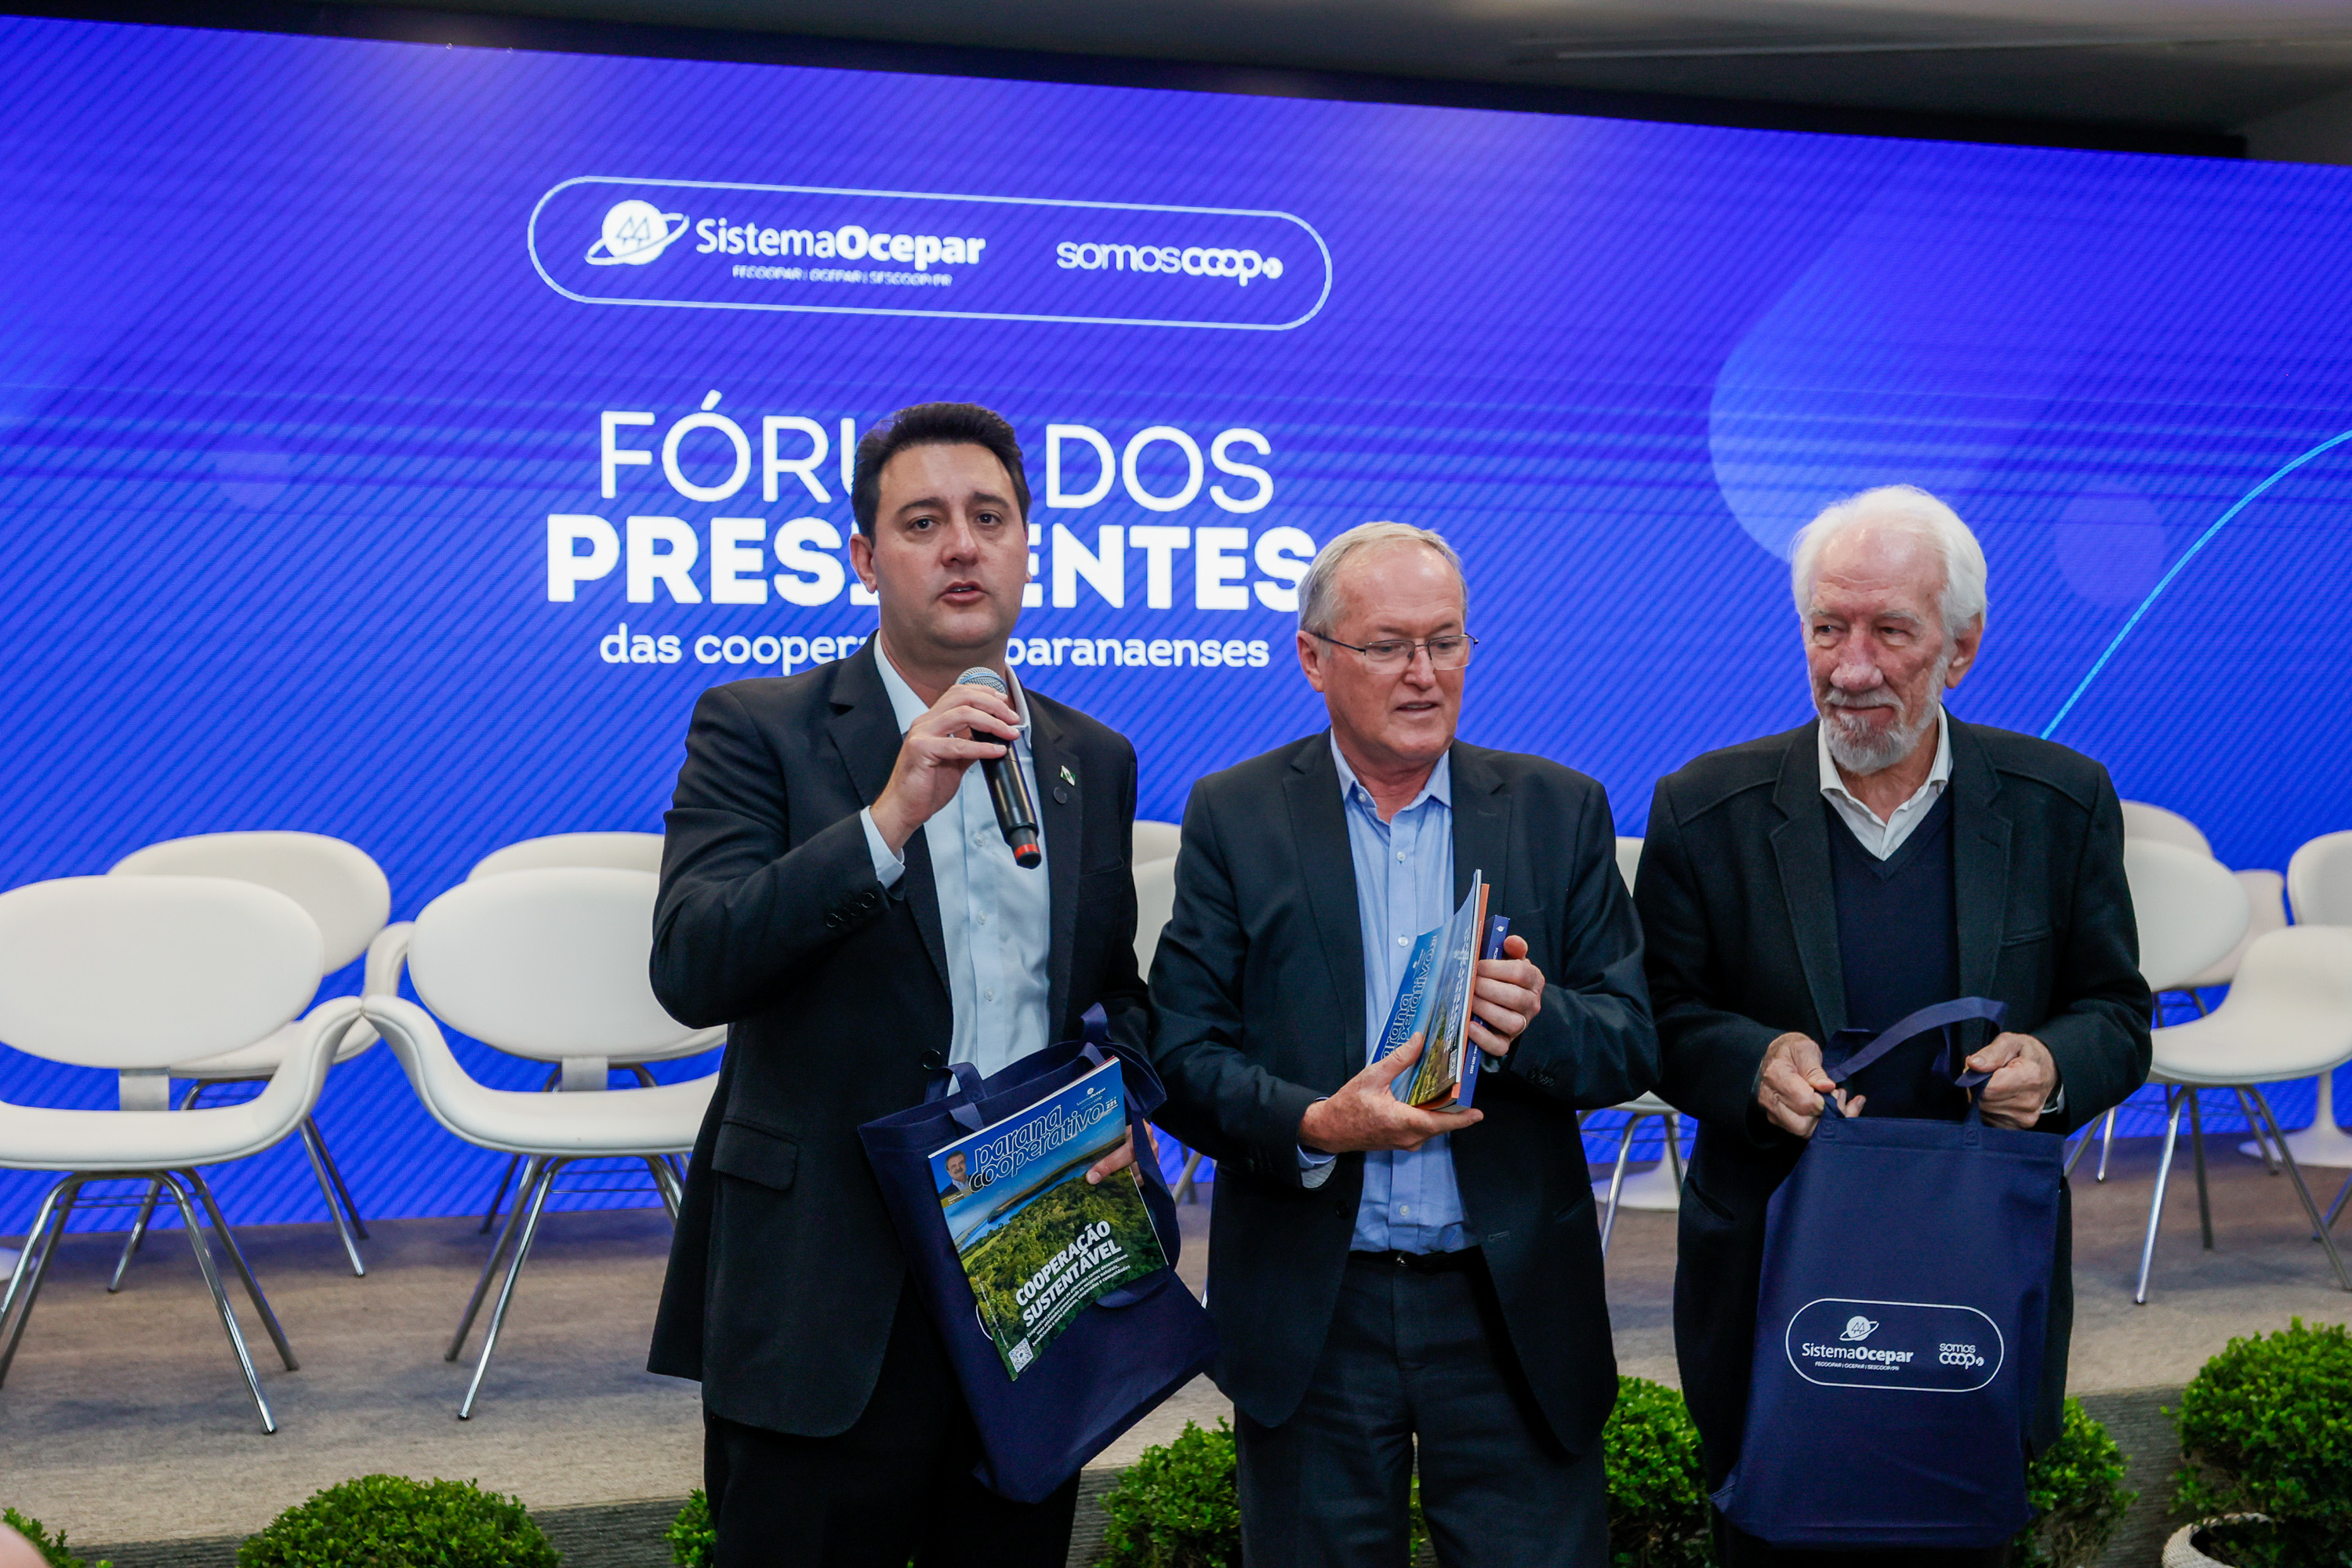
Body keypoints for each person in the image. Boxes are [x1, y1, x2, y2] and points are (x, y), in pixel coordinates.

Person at [647, 402, 1150, 1568]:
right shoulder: (759, 728)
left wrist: (1122, 1097)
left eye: (991, 518)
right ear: (866, 558)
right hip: (823, 1281)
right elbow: (694, 963)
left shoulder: (1090, 757)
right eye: (923, 523)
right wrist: (886, 821)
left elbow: (1109, 994)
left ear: (1029, 546)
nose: (962, 546)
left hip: (1028, 1274)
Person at [1638, 485, 2151, 1567]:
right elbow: (1659, 1018)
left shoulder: (2060, 804)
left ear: (1962, 648)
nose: (1853, 667)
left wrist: (2053, 1064)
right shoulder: (1704, 809)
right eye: (1828, 628)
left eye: (1891, 632)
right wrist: (1750, 1062)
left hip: (1973, 1281)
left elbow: (2117, 1014)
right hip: (1774, 1279)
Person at [1149, 521, 1657, 1567]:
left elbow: (1632, 1042)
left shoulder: (1559, 810)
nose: (1425, 674)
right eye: (1388, 647)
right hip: (1314, 1308)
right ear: (1314, 658)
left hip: (1510, 1308)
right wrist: (1314, 1123)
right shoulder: (1235, 816)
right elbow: (1181, 1056)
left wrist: (1540, 1023)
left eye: (1446, 641)